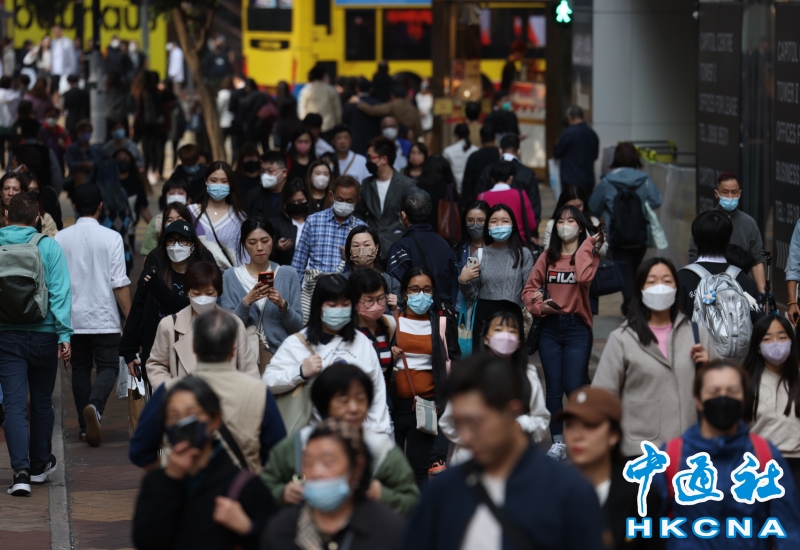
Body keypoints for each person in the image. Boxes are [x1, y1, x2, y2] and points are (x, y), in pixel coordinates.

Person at [400, 355, 606, 550]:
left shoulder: (568, 491)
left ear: (512, 412)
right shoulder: (443, 492)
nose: (466, 436)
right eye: (458, 423)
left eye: (475, 422)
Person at [652, 360, 800, 548]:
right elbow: (649, 529)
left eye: (732, 391)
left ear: (744, 399)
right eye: (714, 392)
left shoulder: (764, 455)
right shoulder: (671, 456)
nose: (723, 398)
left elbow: (788, 530)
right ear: (698, 400)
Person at [130, 309, 286, 473]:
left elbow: (140, 450)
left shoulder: (169, 392)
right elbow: (278, 455)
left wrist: (168, 475)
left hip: (184, 486)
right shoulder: (259, 393)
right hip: (241, 485)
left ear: (194, 348)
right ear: (233, 349)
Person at [133, 376, 277, 549]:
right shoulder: (156, 482)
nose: (183, 423)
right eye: (174, 416)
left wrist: (247, 528)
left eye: (193, 415)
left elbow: (274, 542)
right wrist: (170, 480)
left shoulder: (245, 486)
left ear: (215, 419)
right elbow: (145, 541)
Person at [592, 257, 715, 459]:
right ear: (640, 289)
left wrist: (708, 368)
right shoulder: (622, 338)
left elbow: (719, 390)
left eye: (667, 281)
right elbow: (603, 396)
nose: (660, 287)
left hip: (690, 452)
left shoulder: (697, 334)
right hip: (641, 454)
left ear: (676, 288)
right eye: (651, 281)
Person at [261, 363, 419, 516]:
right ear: (323, 403)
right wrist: (282, 493)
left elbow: (414, 503)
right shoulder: (298, 445)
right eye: (343, 400)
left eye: (361, 399)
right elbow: (263, 486)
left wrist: (382, 494)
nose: (354, 408)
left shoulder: (381, 450)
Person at [0, 193, 72, 496]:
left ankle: (20, 473)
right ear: (38, 218)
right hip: (44, 334)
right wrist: (64, 335)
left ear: (6, 216)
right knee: (42, 401)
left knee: (14, 405)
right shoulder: (49, 246)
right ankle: (40, 464)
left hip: (6, 335)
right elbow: (60, 292)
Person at [523, 205, 603, 460]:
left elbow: (582, 277)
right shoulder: (547, 256)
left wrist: (587, 245)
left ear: (580, 228)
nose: (564, 225)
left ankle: (584, 435)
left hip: (577, 328)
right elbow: (528, 290)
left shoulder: (589, 256)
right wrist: (540, 306)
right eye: (560, 221)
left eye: (570, 221)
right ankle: (558, 442)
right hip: (550, 327)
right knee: (554, 387)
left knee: (574, 386)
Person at [54, 184, 131, 447]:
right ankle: (95, 407)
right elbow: (119, 283)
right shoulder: (112, 237)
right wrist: (131, 318)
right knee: (108, 368)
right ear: (100, 206)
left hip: (72, 319)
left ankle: (85, 428)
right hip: (104, 317)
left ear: (75, 207)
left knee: (80, 370)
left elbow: (57, 283)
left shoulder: (60, 238)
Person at [262, 417, 406, 549]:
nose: (316, 473)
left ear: (357, 468)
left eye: (328, 463)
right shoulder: (280, 531)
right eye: (308, 463)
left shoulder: (388, 529)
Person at [440, 310, 549, 464]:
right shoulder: (470, 373)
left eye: (512, 331)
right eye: (498, 329)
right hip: (471, 460)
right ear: (486, 338)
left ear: (519, 341)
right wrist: (475, 437)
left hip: (515, 461)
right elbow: (448, 421)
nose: (505, 336)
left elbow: (541, 419)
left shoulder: (527, 374)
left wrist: (522, 424)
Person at [561, 387, 664, 550]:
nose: (577, 435)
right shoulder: (551, 490)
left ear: (614, 434)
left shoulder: (640, 497)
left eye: (589, 425)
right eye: (570, 425)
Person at [121, 217, 214, 386]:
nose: (176, 246)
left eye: (183, 241)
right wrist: (129, 350)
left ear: (192, 245)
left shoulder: (202, 275)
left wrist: (160, 289)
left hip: (194, 349)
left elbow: (192, 309)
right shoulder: (155, 270)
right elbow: (138, 307)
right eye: (171, 240)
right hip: (158, 349)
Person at [391, 267, 460, 484]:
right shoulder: (391, 321)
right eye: (415, 289)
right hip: (392, 406)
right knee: (392, 472)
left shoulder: (441, 323)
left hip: (425, 406)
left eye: (427, 289)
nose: (421, 294)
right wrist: (389, 354)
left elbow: (453, 359)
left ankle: (420, 507)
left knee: (419, 470)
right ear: (405, 293)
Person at [147, 261, 259, 390]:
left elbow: (249, 369)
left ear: (218, 292)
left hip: (226, 398)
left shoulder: (234, 323)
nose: (203, 298)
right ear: (188, 292)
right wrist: (172, 391)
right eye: (196, 293)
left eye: (210, 293)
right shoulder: (169, 326)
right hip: (184, 398)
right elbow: (156, 365)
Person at [589, 142, 662, 315]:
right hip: (640, 234)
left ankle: (630, 305)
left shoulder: (607, 181)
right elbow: (656, 200)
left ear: (616, 158)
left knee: (624, 271)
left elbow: (593, 206)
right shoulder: (644, 179)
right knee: (636, 269)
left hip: (616, 235)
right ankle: (635, 304)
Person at [219, 218, 303, 363]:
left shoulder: (288, 274)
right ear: (244, 244)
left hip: (280, 356)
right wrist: (247, 302)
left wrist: (282, 304)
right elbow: (228, 329)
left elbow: (297, 326)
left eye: (265, 241)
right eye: (252, 242)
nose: (259, 247)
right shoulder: (230, 276)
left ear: (273, 240)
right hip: (243, 356)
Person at [459, 203, 534, 349]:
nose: (499, 225)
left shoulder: (523, 254)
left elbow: (529, 290)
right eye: (494, 221)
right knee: (484, 361)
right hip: (483, 317)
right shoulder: (479, 254)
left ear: (513, 225)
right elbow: (471, 296)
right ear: (487, 226)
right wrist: (463, 280)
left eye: (505, 221)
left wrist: (538, 294)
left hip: (512, 316)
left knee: (510, 360)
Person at [744, 315, 800, 497]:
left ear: (791, 342)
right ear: (758, 347)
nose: (776, 344)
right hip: (758, 464)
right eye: (767, 339)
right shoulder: (744, 382)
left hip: (796, 466)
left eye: (782, 337)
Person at [688, 172, 766, 292]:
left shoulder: (749, 223)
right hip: (709, 290)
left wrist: (762, 294)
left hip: (742, 289)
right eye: (725, 192)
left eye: (734, 192)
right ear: (716, 193)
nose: (730, 196)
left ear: (740, 193)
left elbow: (757, 261)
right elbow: (694, 256)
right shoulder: (705, 222)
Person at [677, 209, 759, 322]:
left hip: (694, 334)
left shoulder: (681, 279)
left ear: (695, 241)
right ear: (728, 240)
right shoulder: (745, 281)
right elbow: (757, 325)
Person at [386, 187, 458, 309]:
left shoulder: (400, 248)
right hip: (443, 314)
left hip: (413, 316)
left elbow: (395, 290)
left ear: (403, 215)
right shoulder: (444, 245)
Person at [291, 176, 366, 285]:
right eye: (340, 199)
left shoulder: (361, 228)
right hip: (316, 289)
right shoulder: (313, 221)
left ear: (356, 200)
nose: (344, 203)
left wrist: (353, 258)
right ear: (331, 196)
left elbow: (367, 269)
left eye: (349, 201)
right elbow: (299, 262)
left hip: (347, 290)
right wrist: (295, 292)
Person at [354, 136, 416, 260]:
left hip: (399, 249)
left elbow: (413, 218)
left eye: (371, 157)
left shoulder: (407, 184)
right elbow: (359, 214)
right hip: (372, 250)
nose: (368, 161)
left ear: (384, 159)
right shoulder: (366, 184)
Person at [189, 161, 248, 269]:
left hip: (229, 276)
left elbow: (244, 256)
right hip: (196, 276)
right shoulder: (191, 212)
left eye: (224, 181)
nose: (218, 185)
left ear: (231, 184)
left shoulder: (240, 217)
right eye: (214, 180)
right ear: (206, 181)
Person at [349, 268, 398, 382]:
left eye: (380, 298)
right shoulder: (345, 330)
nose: (376, 305)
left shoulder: (389, 324)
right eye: (369, 300)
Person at [476, 161, 537, 243]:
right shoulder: (520, 194)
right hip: (518, 242)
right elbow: (531, 224)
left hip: (490, 243)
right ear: (511, 177)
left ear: (492, 178)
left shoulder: (482, 197)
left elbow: (479, 225)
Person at [343, 226, 400, 303]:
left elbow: (401, 307)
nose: (361, 250)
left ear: (376, 249)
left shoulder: (391, 283)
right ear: (349, 251)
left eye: (366, 245)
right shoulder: (341, 282)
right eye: (356, 246)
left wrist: (395, 306)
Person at [453, 201, 490, 311]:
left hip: (489, 311)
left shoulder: (497, 250)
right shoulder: (458, 251)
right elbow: (452, 286)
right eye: (470, 220)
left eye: (480, 220)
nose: (475, 225)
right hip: (463, 310)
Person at [553, 105, 600, 190]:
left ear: (569, 117)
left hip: (571, 180)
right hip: (588, 181)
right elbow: (595, 156)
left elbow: (557, 153)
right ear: (583, 116)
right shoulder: (592, 134)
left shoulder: (568, 134)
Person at [356, 83, 422, 143]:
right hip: (412, 140)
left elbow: (372, 110)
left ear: (392, 96)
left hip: (398, 139)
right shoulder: (412, 108)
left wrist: (359, 102)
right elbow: (419, 129)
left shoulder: (392, 105)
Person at [140, 180, 191, 257]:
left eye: (180, 193)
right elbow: (148, 253)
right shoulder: (157, 222)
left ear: (188, 199)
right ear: (164, 198)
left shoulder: (196, 219)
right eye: (171, 193)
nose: (176, 196)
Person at [267, 179, 311, 267]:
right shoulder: (274, 223)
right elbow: (266, 254)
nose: (296, 204)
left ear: (307, 199)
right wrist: (277, 248)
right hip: (287, 271)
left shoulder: (317, 220)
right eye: (291, 202)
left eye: (300, 201)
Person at [342, 77, 382, 155]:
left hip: (355, 145)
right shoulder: (378, 103)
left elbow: (344, 123)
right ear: (371, 89)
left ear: (357, 89)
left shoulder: (349, 104)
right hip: (374, 143)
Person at [461, 125, 500, 204]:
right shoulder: (501, 155)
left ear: (480, 138)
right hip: (499, 199)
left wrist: (464, 203)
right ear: (495, 136)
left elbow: (467, 183)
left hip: (479, 200)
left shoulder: (474, 156)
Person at [298, 64, 342, 134]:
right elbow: (338, 111)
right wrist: (338, 124)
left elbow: (302, 110)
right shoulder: (331, 90)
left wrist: (304, 125)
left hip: (311, 127)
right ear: (323, 76)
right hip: (329, 126)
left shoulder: (306, 91)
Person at [246, 151, 289, 221]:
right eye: (262, 171)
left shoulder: (293, 194)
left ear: (284, 172)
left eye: (270, 171)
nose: (265, 175)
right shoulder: (253, 195)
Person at [65, 119, 102, 187]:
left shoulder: (96, 149)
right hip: (74, 180)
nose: (86, 134)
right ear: (77, 133)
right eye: (83, 132)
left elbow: (100, 164)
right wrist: (81, 165)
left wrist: (91, 165)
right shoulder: (71, 148)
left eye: (88, 132)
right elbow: (70, 164)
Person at [443, 123, 479, 194]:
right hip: (471, 190)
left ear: (456, 135)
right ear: (469, 135)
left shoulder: (448, 151)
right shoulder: (476, 150)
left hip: (454, 189)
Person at [62, 74, 90, 141]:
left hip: (71, 122)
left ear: (69, 82)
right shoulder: (85, 93)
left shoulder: (67, 94)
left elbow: (64, 108)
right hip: (83, 121)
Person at [0, 76, 20, 168]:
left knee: (1, 147)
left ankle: (2, 164)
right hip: (12, 125)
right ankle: (10, 166)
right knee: (12, 148)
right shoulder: (16, 95)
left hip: (0, 125)